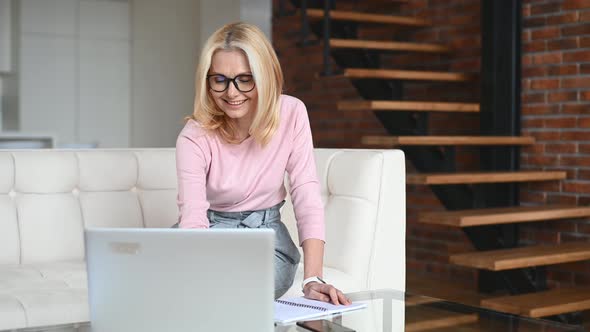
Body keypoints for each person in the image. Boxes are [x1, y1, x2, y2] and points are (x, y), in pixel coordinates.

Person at [175, 22, 350, 305]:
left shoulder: (292, 113)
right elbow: (194, 219)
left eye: (245, 79)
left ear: (265, 76)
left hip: (267, 237)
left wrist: (313, 278)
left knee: (239, 289)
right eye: (219, 79)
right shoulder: (194, 136)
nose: (232, 93)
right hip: (208, 235)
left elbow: (305, 192)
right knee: (178, 283)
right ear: (206, 81)